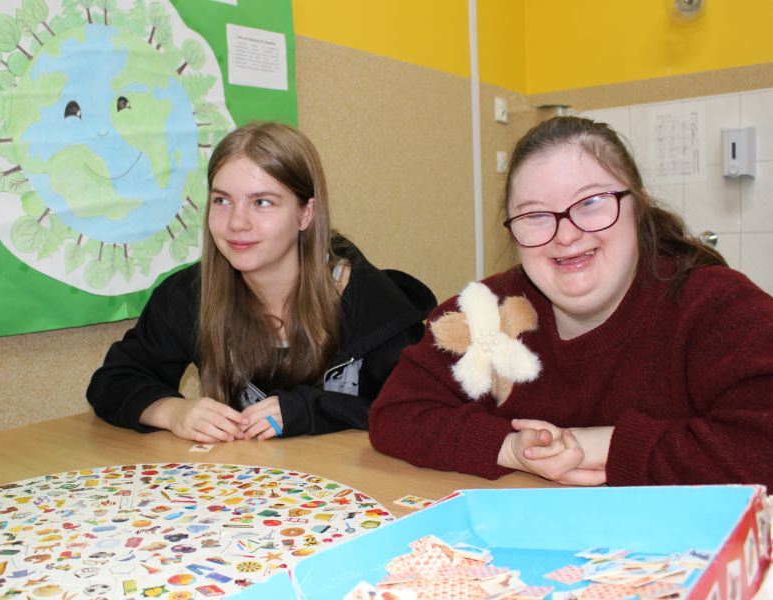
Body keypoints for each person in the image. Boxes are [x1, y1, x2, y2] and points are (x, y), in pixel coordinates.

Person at [369, 116, 773, 488]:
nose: (566, 236)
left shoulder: (719, 306)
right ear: (512, 233)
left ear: (639, 207)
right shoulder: (487, 313)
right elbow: (397, 412)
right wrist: (510, 448)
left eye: (591, 202)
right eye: (535, 215)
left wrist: (602, 445)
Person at [88, 121, 436, 443]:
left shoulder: (372, 305)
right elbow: (112, 381)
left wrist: (310, 410)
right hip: (247, 484)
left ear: (305, 214)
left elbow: (428, 413)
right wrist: (172, 411)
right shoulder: (190, 294)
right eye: (222, 200)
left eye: (262, 202)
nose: (237, 222)